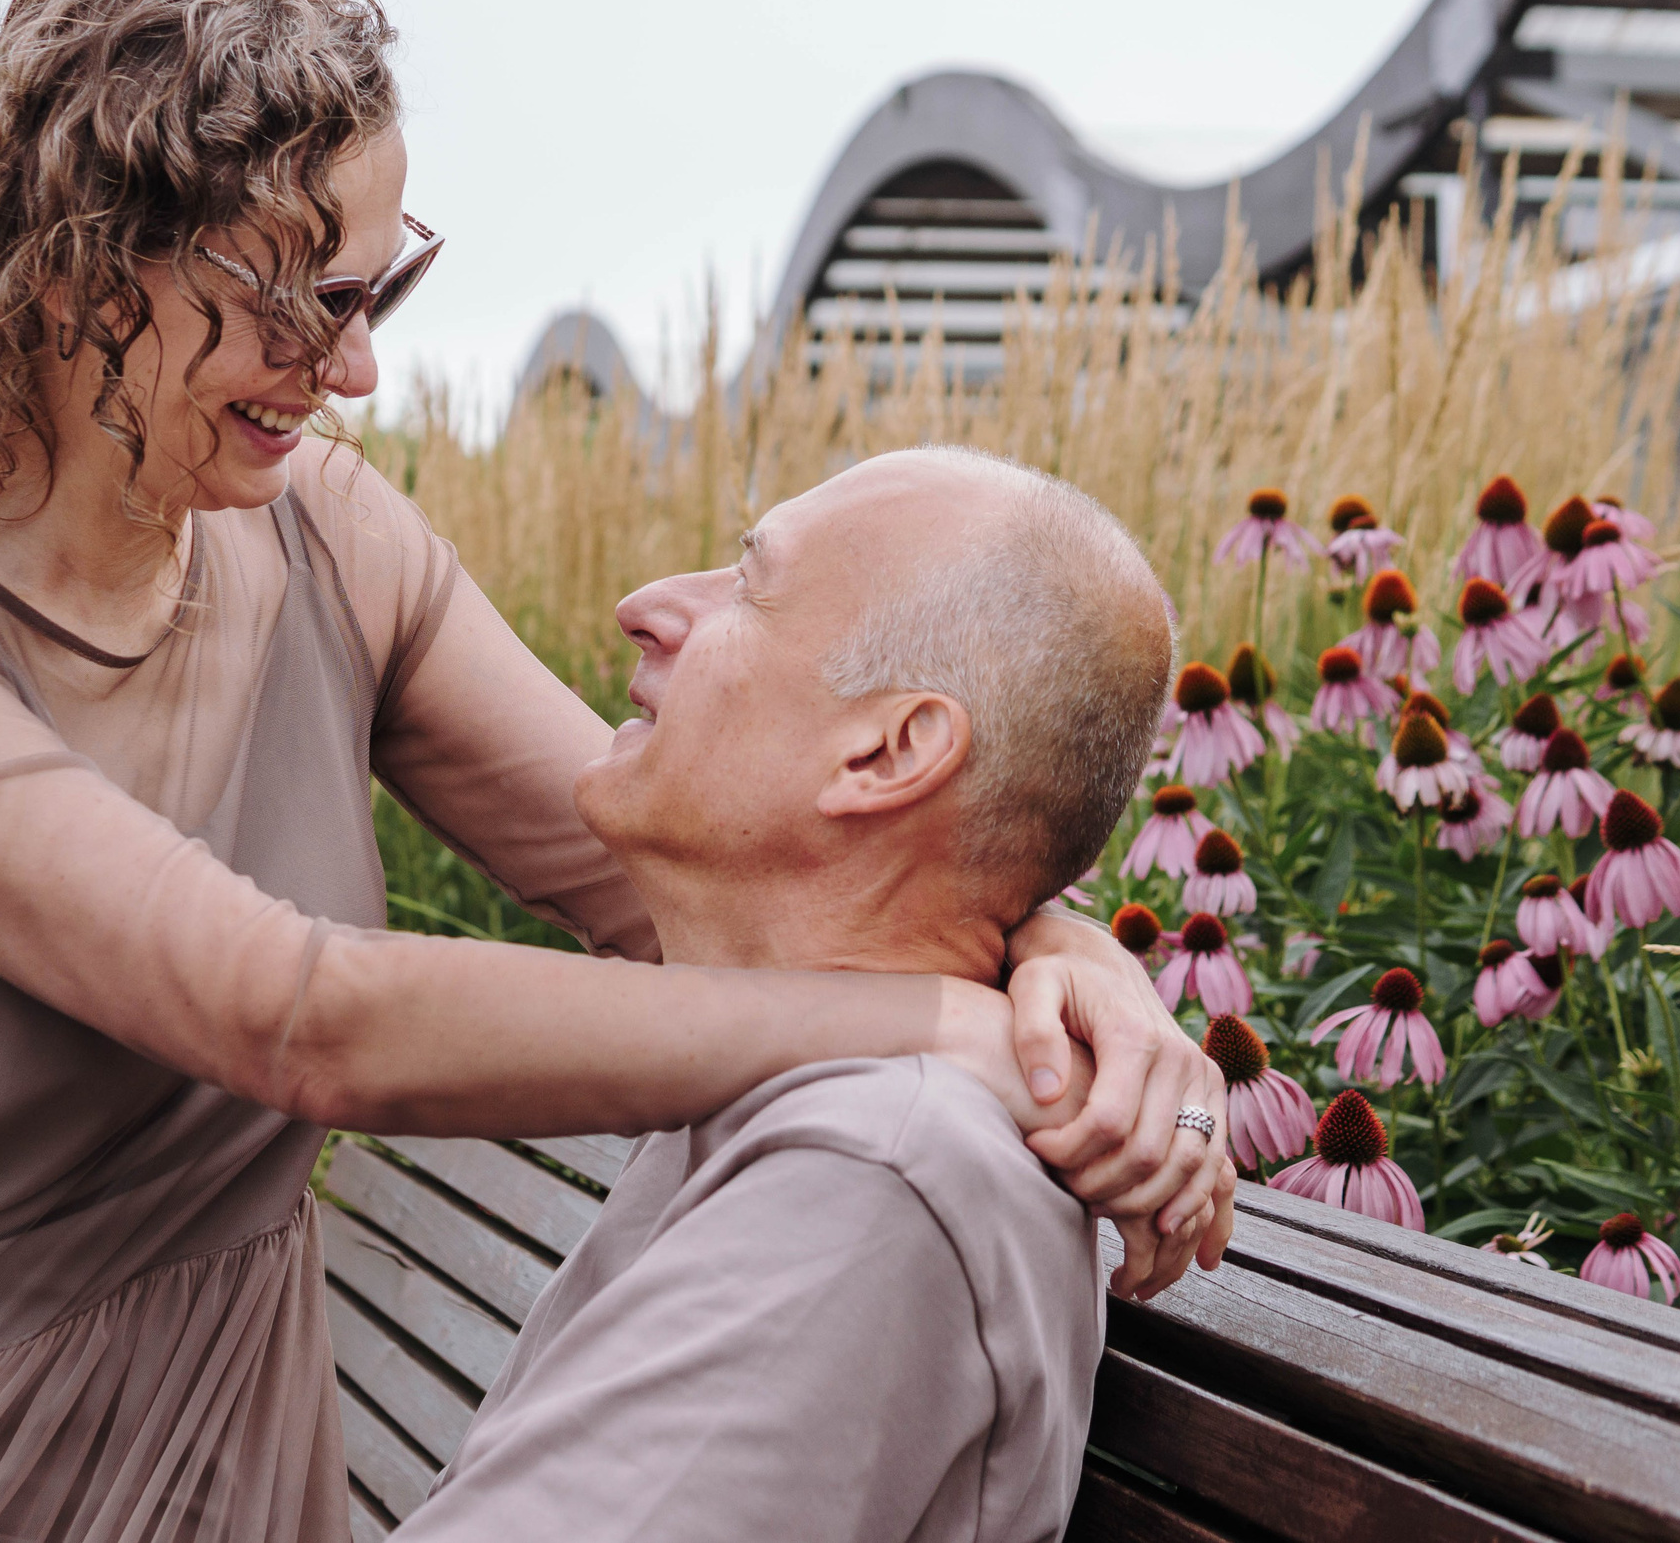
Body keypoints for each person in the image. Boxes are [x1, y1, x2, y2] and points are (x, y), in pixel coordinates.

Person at [0, 0, 1230, 1543]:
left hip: (199, 1453)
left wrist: (1060, 955)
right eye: (300, 295)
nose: (355, 364)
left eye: (379, 289)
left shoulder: (332, 539)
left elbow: (701, 871)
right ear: (86, 265)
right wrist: (941, 1014)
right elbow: (289, 1014)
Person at [401, 448, 1198, 1542]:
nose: (644, 607)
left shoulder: (871, 1176)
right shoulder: (836, 1089)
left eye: (747, 585)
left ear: (887, 752)